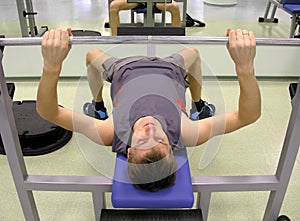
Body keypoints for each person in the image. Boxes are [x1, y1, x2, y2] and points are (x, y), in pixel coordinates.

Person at [36, 28, 261, 192]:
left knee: (91, 55)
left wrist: (51, 66)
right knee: (193, 53)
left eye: (143, 141)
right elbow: (248, 115)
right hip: (170, 68)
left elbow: (49, 112)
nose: (151, 130)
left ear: (130, 152)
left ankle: (98, 106)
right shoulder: (187, 133)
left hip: (124, 69)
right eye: (161, 141)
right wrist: (245, 67)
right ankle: (199, 106)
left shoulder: (110, 132)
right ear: (172, 149)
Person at [109, 0, 181, 36]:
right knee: (114, 6)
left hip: (157, 2)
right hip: (136, 2)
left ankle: (176, 42)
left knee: (174, 7)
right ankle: (116, 39)